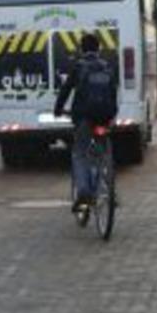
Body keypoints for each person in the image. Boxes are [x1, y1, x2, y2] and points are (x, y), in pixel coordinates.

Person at [54, 33, 119, 212]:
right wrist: (112, 115)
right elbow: (113, 92)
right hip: (105, 117)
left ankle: (83, 191)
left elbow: (66, 89)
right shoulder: (107, 67)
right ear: (99, 48)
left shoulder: (79, 66)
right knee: (103, 152)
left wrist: (58, 109)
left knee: (80, 153)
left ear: (82, 49)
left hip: (84, 117)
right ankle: (107, 187)